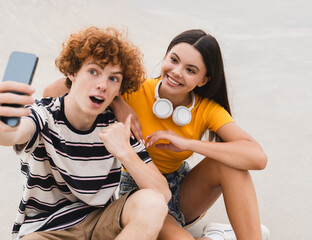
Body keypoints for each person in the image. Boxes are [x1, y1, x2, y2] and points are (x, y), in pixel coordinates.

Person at [43, 29, 270, 240]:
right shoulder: (135, 89)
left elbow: (257, 157)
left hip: (183, 190)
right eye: (173, 60)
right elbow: (53, 92)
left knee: (230, 165)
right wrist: (119, 102)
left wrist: (188, 143)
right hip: (137, 191)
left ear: (203, 80)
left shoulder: (207, 109)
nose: (176, 72)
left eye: (191, 70)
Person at [0, 26, 171, 240]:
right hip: (47, 229)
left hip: (101, 222)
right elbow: (11, 134)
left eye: (113, 78)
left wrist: (125, 153)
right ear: (72, 72)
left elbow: (162, 195)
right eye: (93, 72)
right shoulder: (44, 115)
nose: (102, 85)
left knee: (151, 204)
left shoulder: (117, 125)